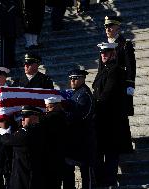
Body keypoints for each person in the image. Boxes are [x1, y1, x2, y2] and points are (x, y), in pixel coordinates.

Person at [93, 43, 133, 187]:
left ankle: (109, 182)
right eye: (102, 52)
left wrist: (94, 106)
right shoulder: (103, 70)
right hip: (102, 119)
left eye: (107, 52)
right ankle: (103, 181)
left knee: (111, 153)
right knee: (101, 152)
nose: (103, 55)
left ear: (113, 53)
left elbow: (107, 94)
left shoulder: (115, 70)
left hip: (112, 120)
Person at [0, 105, 47, 189]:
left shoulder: (30, 132)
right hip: (28, 174)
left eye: (25, 117)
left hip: (27, 177)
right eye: (22, 117)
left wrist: (4, 133)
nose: (22, 120)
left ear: (35, 117)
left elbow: (8, 140)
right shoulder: (39, 129)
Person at [64, 68, 96, 189]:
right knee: (68, 170)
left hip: (83, 139)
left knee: (85, 172)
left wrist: (65, 116)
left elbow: (82, 115)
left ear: (83, 79)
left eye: (75, 78)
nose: (72, 81)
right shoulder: (75, 93)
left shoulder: (84, 94)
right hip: (73, 139)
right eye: (71, 78)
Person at [103, 16, 136, 116]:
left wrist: (130, 84)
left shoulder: (125, 44)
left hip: (119, 83)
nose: (107, 29)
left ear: (118, 28)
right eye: (106, 27)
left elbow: (130, 66)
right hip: (106, 83)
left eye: (110, 26)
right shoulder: (104, 45)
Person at [41, 96, 68, 188]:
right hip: (61, 152)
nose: (47, 109)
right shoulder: (65, 116)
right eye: (47, 107)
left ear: (58, 106)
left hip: (51, 153)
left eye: (50, 106)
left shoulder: (49, 117)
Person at [0, 0, 24, 68]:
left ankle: (11, 61)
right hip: (6, 15)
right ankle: (4, 63)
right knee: (6, 42)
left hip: (14, 17)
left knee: (12, 42)